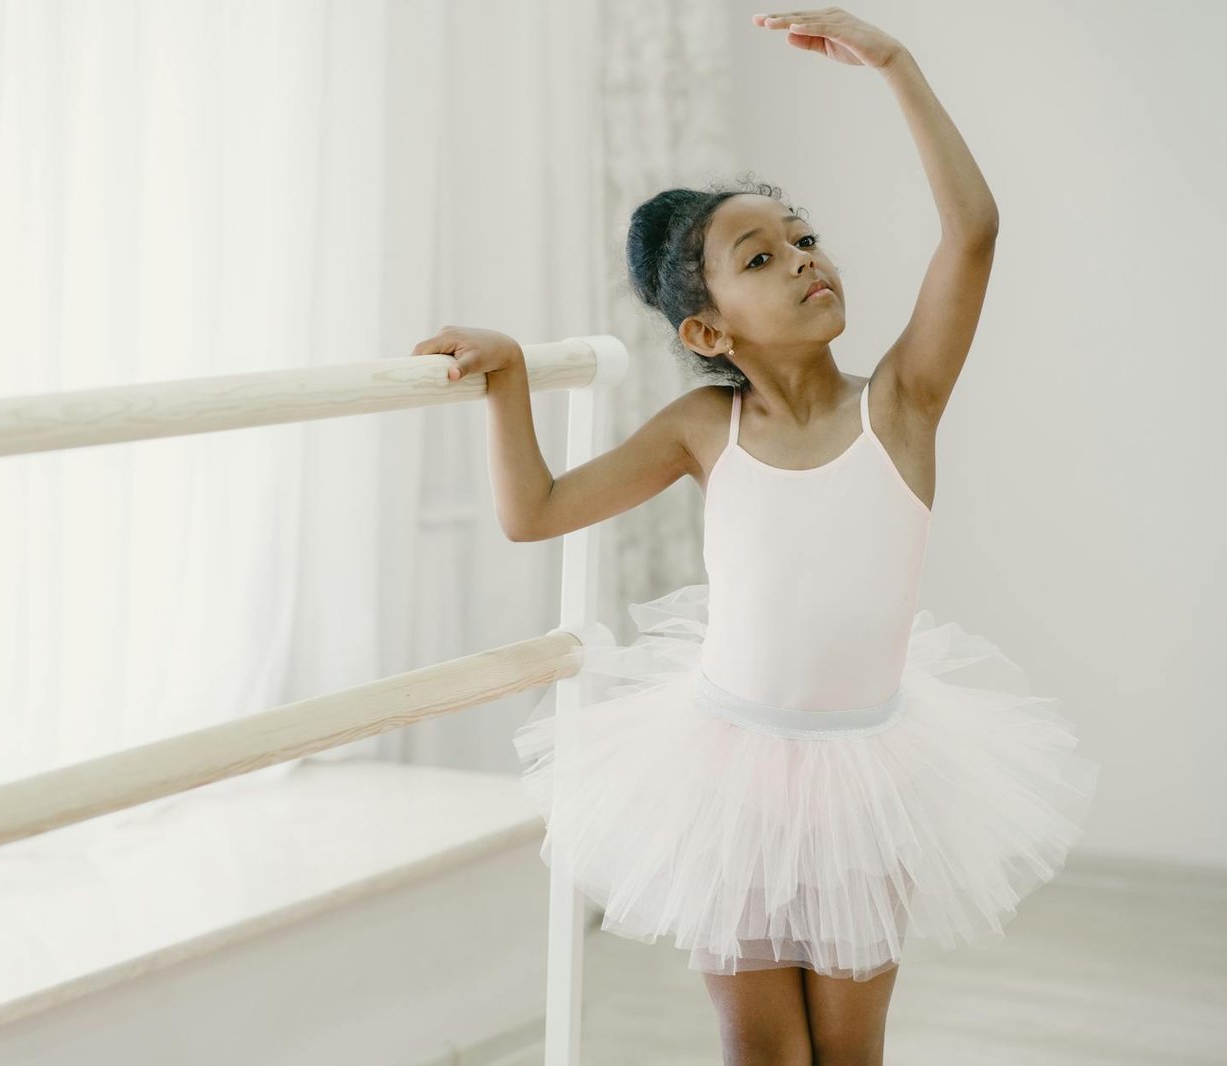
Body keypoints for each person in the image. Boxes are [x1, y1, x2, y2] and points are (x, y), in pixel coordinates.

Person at [409, 10, 1099, 1064]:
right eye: (761, 255)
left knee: (848, 1051)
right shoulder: (702, 429)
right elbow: (534, 513)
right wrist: (506, 380)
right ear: (706, 330)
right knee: (763, 1052)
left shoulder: (900, 405)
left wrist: (894, 65)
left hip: (870, 771)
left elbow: (972, 231)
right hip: (722, 771)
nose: (804, 261)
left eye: (805, 239)